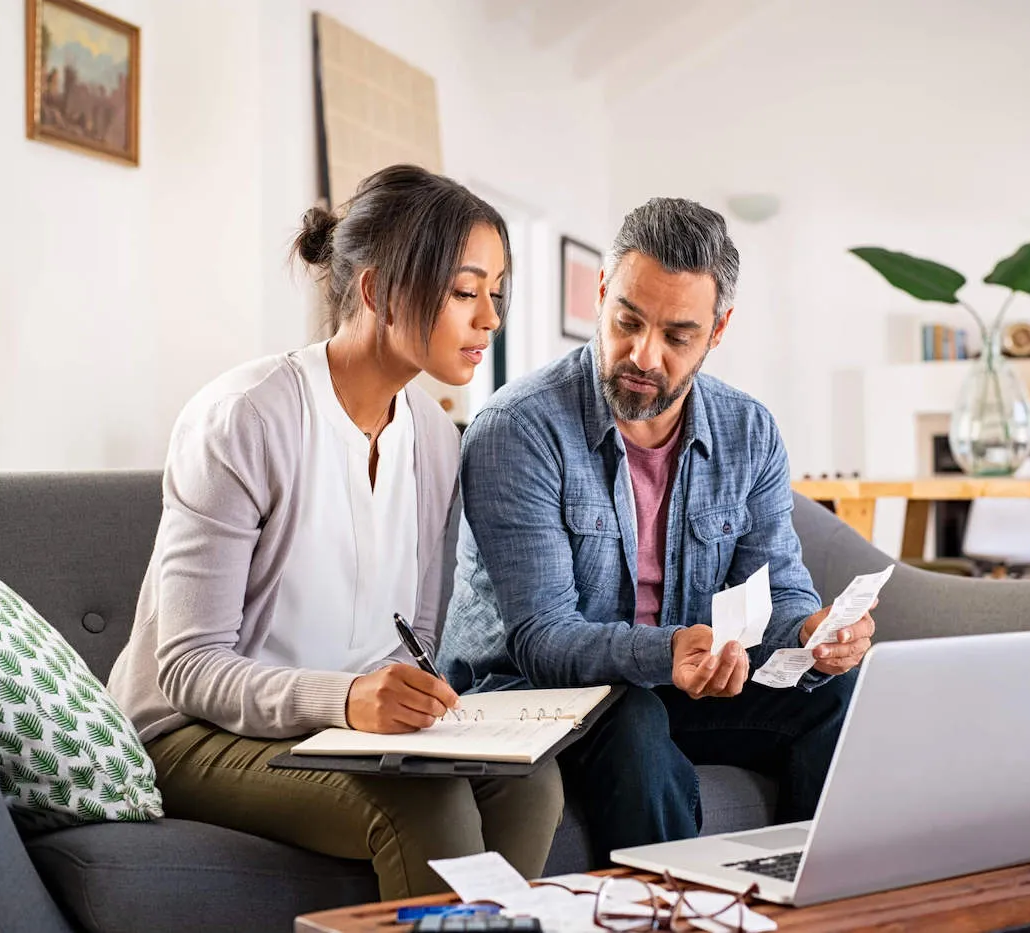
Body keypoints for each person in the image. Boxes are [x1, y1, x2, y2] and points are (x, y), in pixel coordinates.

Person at [108, 165, 563, 899]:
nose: (489, 319)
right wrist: (348, 699)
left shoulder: (439, 441)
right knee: (430, 801)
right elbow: (188, 667)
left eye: (496, 292)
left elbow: (410, 635)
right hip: (193, 733)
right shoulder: (246, 418)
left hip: (342, 731)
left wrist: (418, 705)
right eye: (464, 290)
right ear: (379, 290)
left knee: (531, 781)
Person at [438, 197, 874, 862]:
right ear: (603, 293)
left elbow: (780, 589)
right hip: (529, 694)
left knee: (835, 695)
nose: (643, 354)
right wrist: (669, 651)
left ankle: (805, 906)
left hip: (674, 680)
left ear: (717, 330)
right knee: (634, 716)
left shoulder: (748, 431)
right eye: (628, 321)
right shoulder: (518, 430)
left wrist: (812, 632)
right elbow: (541, 640)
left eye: (677, 336)